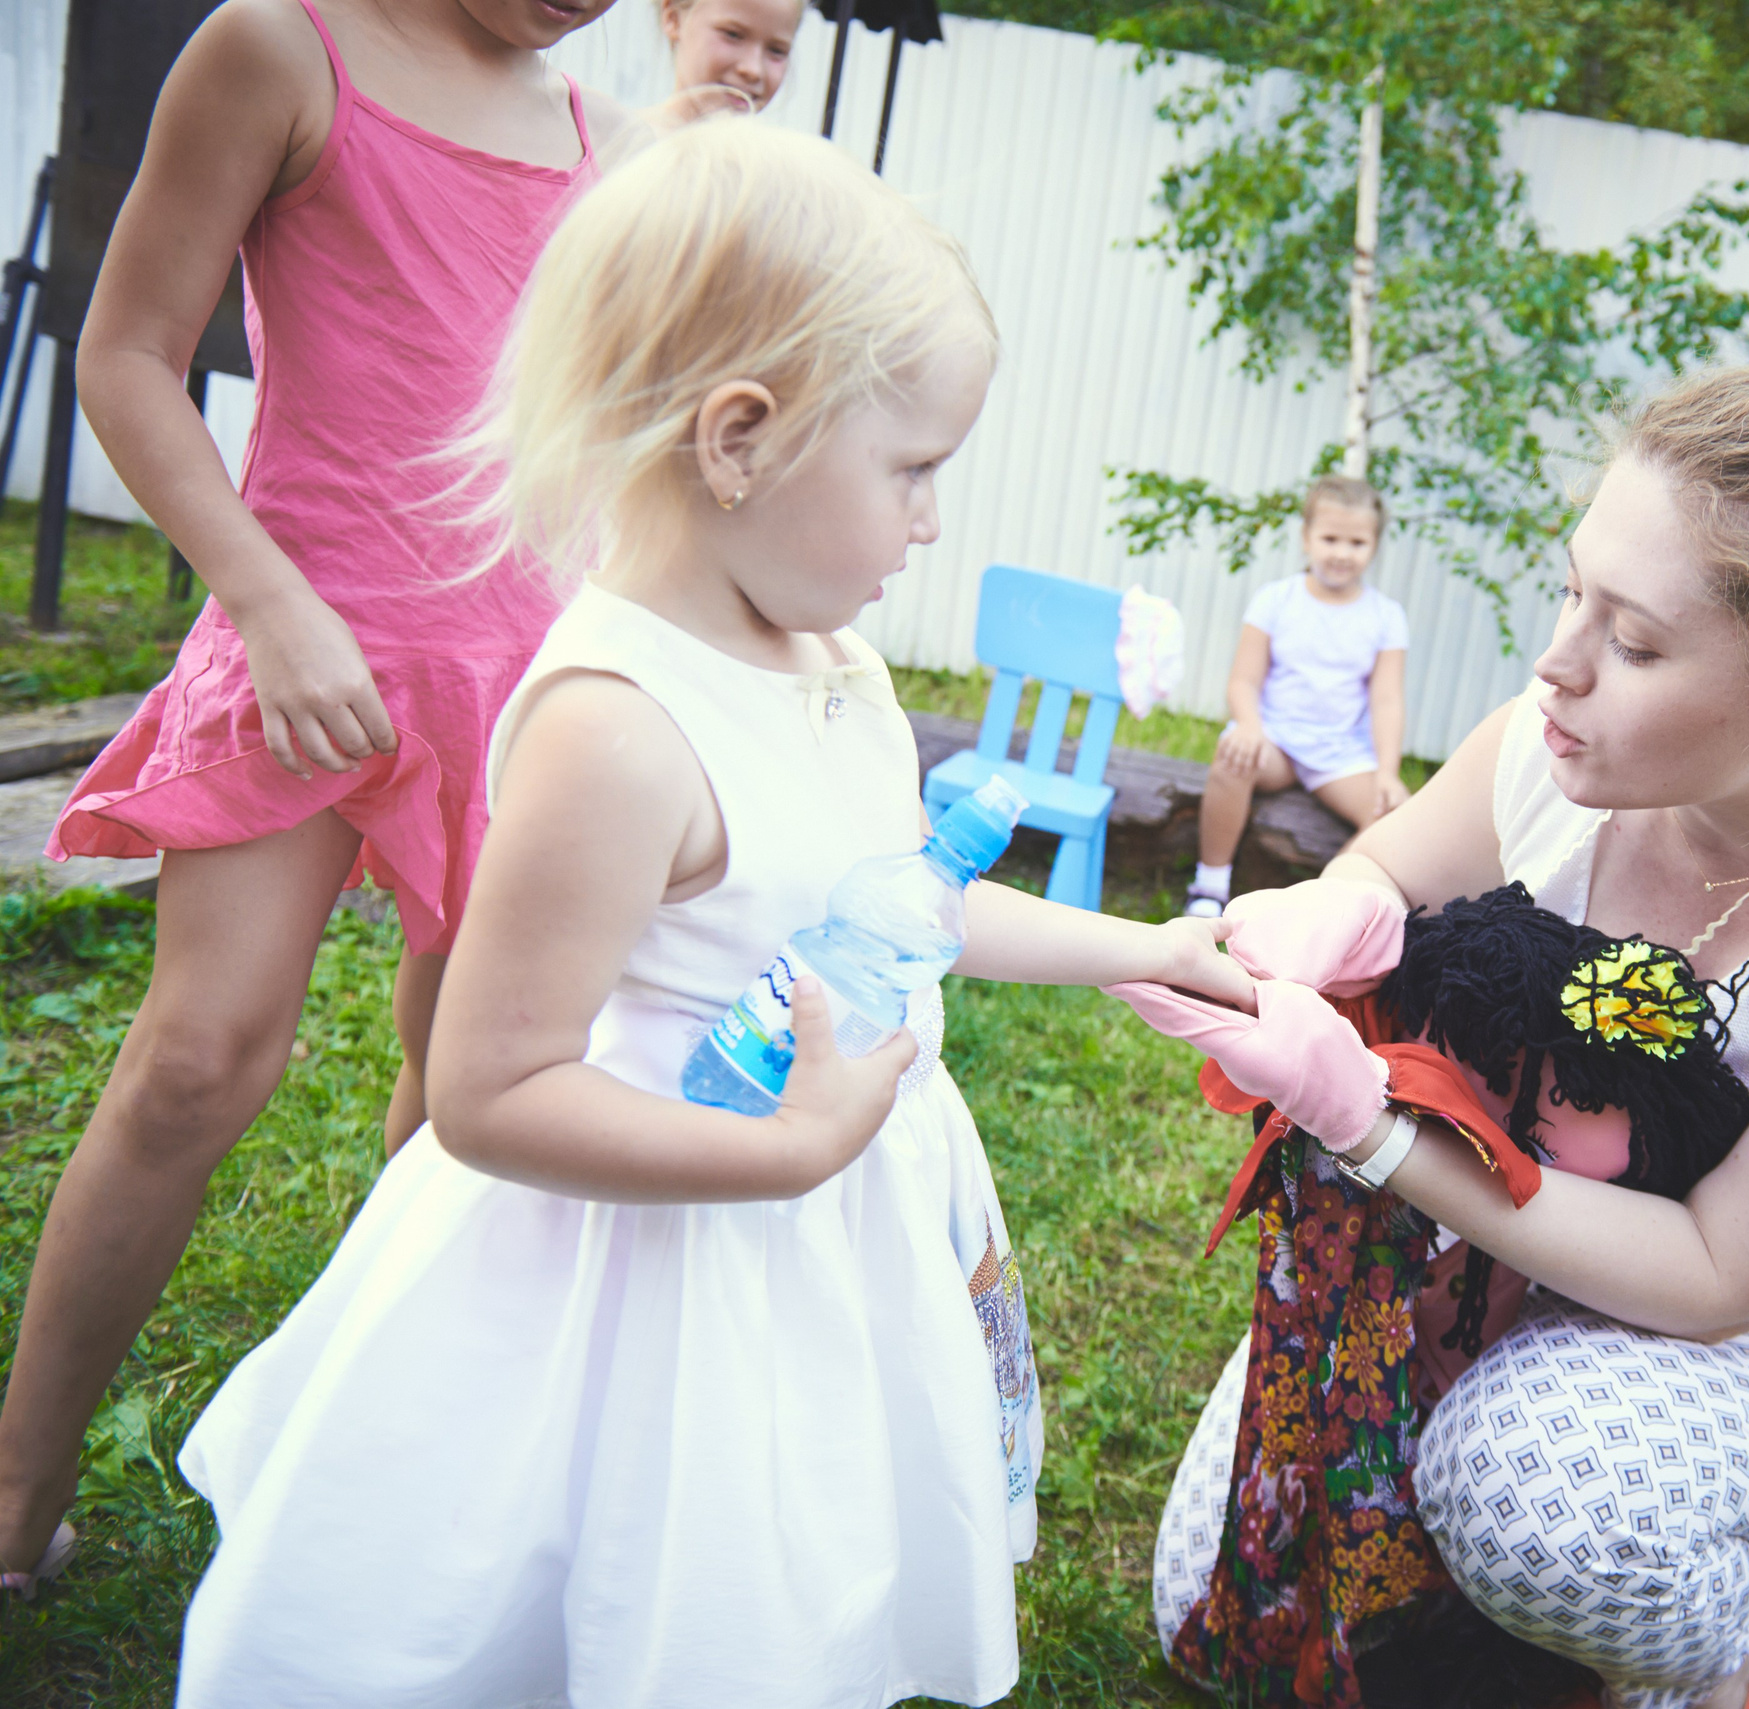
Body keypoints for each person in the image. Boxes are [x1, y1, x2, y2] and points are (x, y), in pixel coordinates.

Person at [169, 122, 1250, 1706]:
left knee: (797, 1558)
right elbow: (488, 1090)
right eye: (913, 472)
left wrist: (1140, 948)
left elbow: (903, 905)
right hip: (643, 1263)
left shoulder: (835, 663)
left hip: (817, 1224)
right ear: (739, 438)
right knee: (633, 1581)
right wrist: (787, 1151)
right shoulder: (618, 725)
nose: (931, 523)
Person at [1133, 366, 1749, 1709]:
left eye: (1638, 642)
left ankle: (1700, 1662)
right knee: (1215, 1611)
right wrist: (1335, 917)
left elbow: (1718, 1268)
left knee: (1547, 1506)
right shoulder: (1557, 737)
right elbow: (1382, 873)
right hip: (1506, 1217)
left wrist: (1369, 1125)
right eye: (1574, 591)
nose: (1560, 661)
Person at [2, 0, 644, 1597]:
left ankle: (351, 1478)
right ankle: (16, 1494)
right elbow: (129, 352)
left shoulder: (605, 140)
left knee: (459, 1111)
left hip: (520, 684)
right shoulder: (284, 49)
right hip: (311, 634)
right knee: (198, 1059)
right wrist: (275, 606)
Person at [1187, 475, 1411, 917]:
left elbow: (1387, 700)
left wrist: (1387, 770)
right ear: (1306, 538)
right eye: (1330, 538)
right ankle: (1209, 886)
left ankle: (1321, 908)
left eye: (1357, 543)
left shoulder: (1386, 617)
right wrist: (1250, 726)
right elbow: (1243, 681)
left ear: (1374, 547)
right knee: (1231, 755)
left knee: (1392, 813)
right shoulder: (1276, 600)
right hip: (1275, 742)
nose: (1342, 553)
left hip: (1339, 752)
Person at [649, 0, 804, 124]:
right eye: (733, 34)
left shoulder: (774, 162)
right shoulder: (630, 144)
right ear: (673, 18)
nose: (753, 70)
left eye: (776, 50)